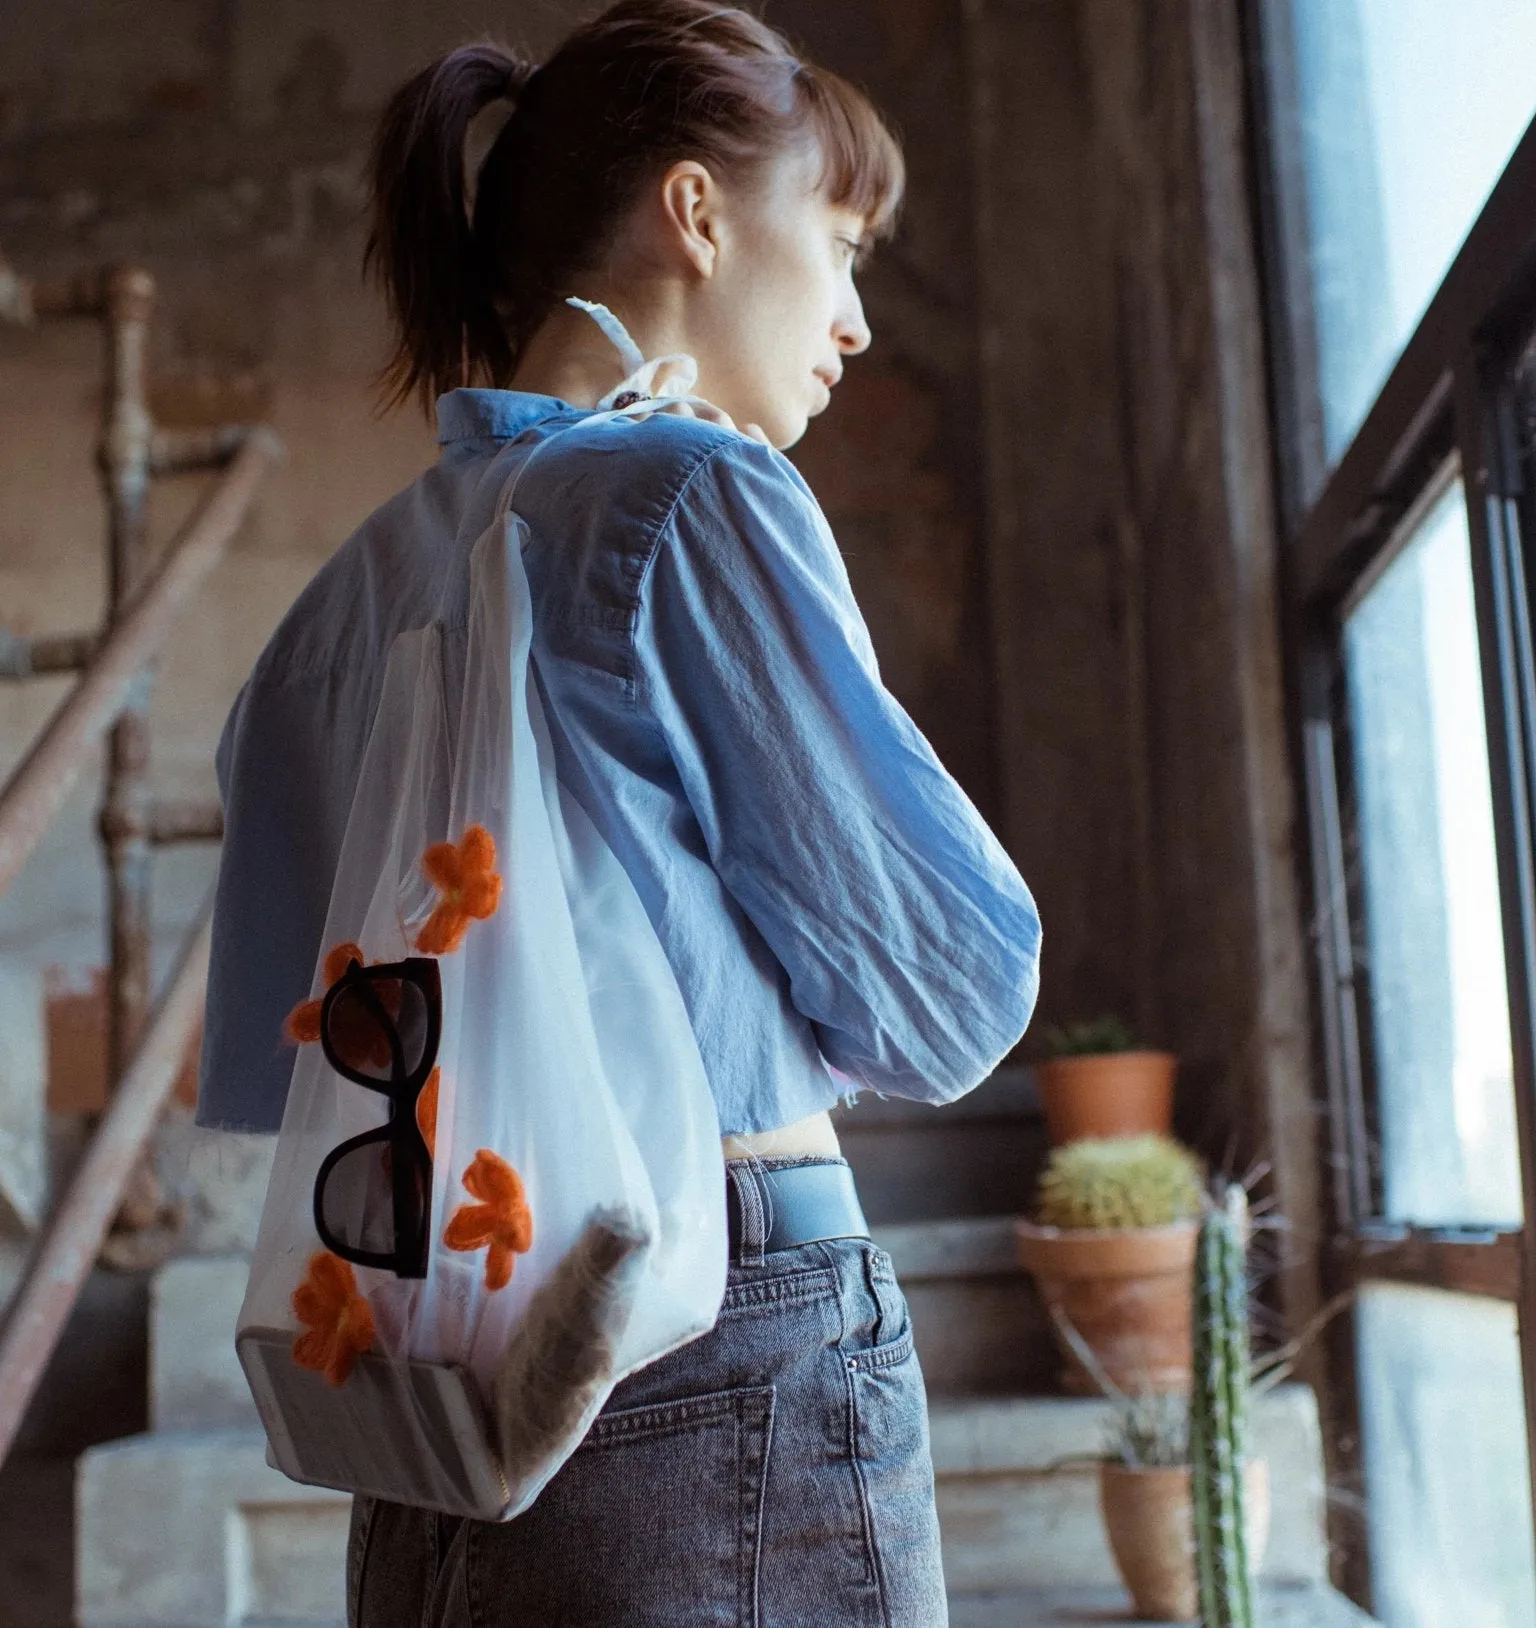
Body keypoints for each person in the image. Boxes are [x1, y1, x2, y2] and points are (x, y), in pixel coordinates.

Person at [196, 2, 1042, 1622]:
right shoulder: (690, 494)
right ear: (698, 210)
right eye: (845, 243)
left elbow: (278, 1047)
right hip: (714, 1314)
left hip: (423, 1359)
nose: (857, 319)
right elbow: (948, 994)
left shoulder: (341, 599)